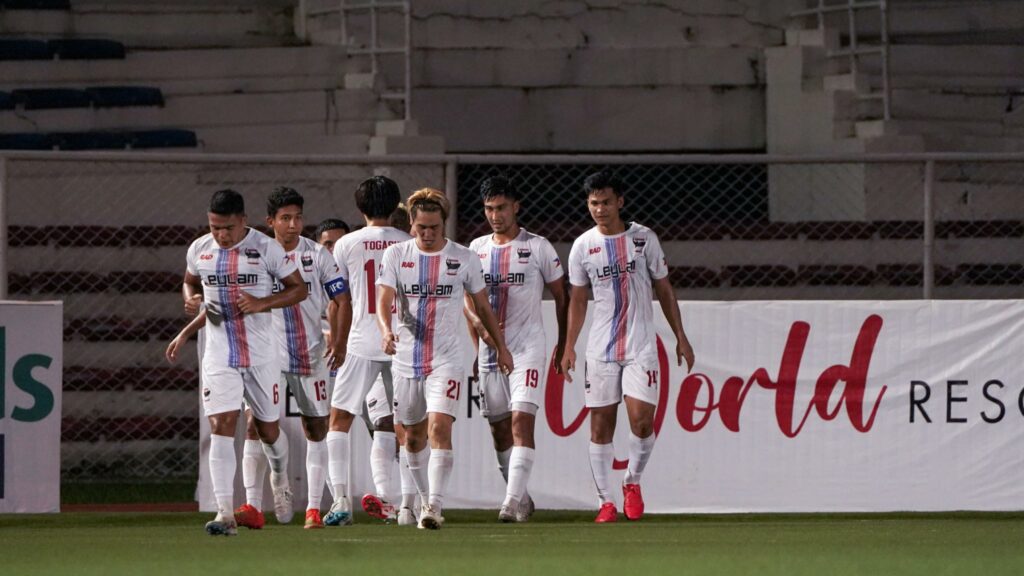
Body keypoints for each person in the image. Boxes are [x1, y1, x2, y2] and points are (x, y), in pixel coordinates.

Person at [559, 171, 695, 523]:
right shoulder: (582, 246)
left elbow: (663, 288)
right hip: (601, 349)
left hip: (640, 346)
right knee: (600, 426)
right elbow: (578, 300)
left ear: (620, 202)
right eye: (593, 203)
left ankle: (632, 481)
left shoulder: (644, 239)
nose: (599, 209)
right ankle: (605, 501)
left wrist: (680, 335)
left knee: (642, 421)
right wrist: (569, 345)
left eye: (606, 202)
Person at [377, 187, 513, 530]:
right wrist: (386, 330)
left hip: (446, 358)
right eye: (421, 227)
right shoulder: (396, 255)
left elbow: (483, 306)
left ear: (444, 225)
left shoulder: (463, 258)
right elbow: (384, 299)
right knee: (412, 438)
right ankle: (424, 499)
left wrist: (500, 346)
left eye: (434, 228)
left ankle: (435, 506)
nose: (427, 233)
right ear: (412, 223)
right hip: (406, 360)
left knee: (439, 427)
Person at [180, 189, 308, 536]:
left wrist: (263, 303)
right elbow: (189, 282)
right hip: (219, 353)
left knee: (267, 430)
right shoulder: (199, 249)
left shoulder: (266, 248)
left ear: (243, 221)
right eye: (215, 227)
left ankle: (279, 477)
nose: (221, 235)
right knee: (221, 424)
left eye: (228, 228)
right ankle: (225, 513)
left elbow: (299, 289)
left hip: (261, 354)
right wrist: (191, 299)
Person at [463, 176, 567, 522]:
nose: (495, 215)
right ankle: (521, 496)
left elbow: (562, 296)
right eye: (489, 208)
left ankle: (509, 503)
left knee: (522, 421)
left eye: (502, 208)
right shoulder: (476, 249)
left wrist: (564, 343)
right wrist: (478, 342)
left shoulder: (538, 247)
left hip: (527, 348)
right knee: (499, 431)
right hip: (490, 354)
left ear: (516, 207)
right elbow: (468, 300)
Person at [256, 187, 349, 530]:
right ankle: (264, 495)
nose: (293, 224)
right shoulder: (256, 255)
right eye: (285, 218)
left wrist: (339, 341)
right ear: (271, 221)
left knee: (316, 427)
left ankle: (312, 508)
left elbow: (342, 299)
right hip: (266, 354)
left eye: (298, 217)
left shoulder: (317, 254)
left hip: (309, 353)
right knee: (257, 424)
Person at [324, 176, 411, 526]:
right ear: (395, 205)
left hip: (360, 341)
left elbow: (340, 300)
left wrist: (338, 341)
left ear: (360, 207)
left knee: (339, 420)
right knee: (406, 424)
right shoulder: (408, 242)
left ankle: (341, 502)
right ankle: (409, 505)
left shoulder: (346, 244)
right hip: (401, 342)